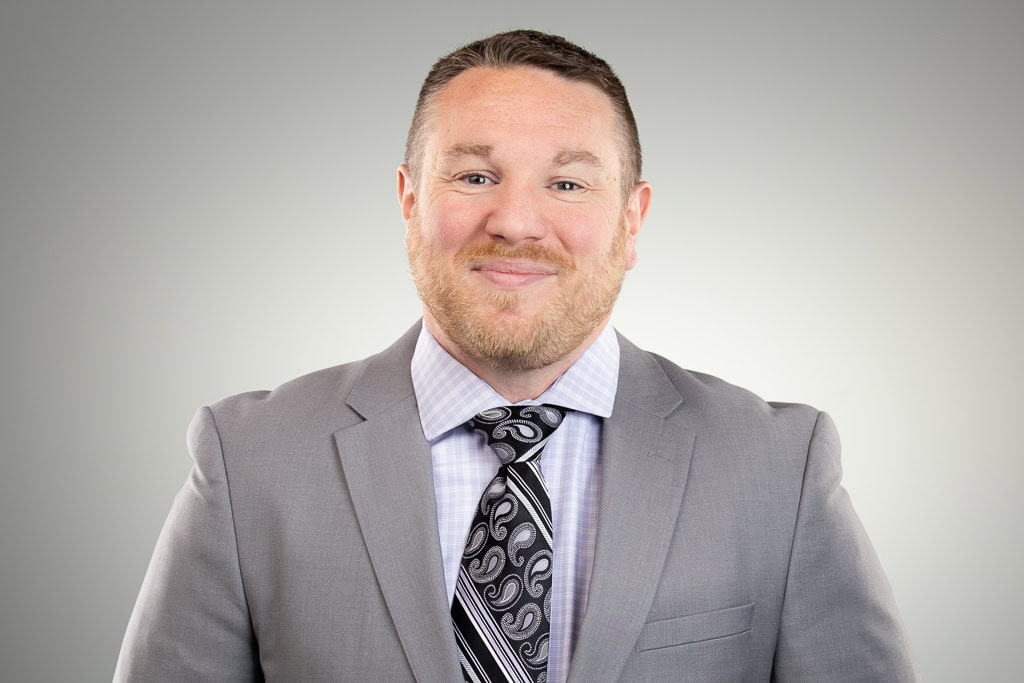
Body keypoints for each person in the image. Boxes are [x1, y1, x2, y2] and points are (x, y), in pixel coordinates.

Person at [114, 29, 916, 682]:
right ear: (408, 201)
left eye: (567, 184)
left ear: (633, 221)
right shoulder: (248, 459)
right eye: (474, 174)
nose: (517, 221)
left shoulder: (778, 463)